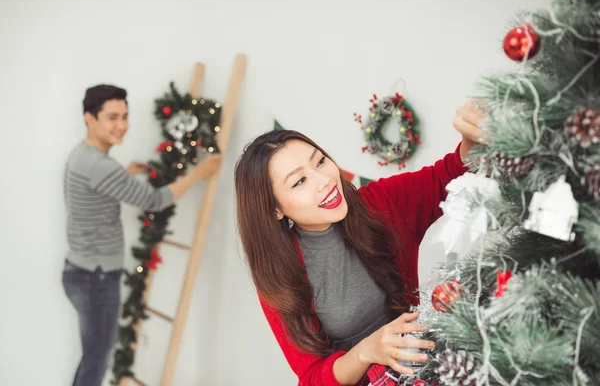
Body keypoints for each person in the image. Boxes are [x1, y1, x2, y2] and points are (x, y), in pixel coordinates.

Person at [234, 101, 485, 386]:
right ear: (274, 209)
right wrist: (366, 352)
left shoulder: (379, 203)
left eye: (319, 161)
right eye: (299, 181)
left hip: (425, 361)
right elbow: (312, 379)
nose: (324, 180)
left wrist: (471, 138)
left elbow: (449, 174)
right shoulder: (279, 276)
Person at [62, 84, 222, 386]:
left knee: (93, 355)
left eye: (125, 116)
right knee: (97, 360)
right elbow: (155, 201)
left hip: (81, 271)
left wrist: (123, 175)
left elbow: (94, 186)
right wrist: (200, 172)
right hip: (94, 277)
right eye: (112, 117)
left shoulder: (83, 155)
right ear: (89, 118)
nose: (121, 125)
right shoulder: (100, 166)